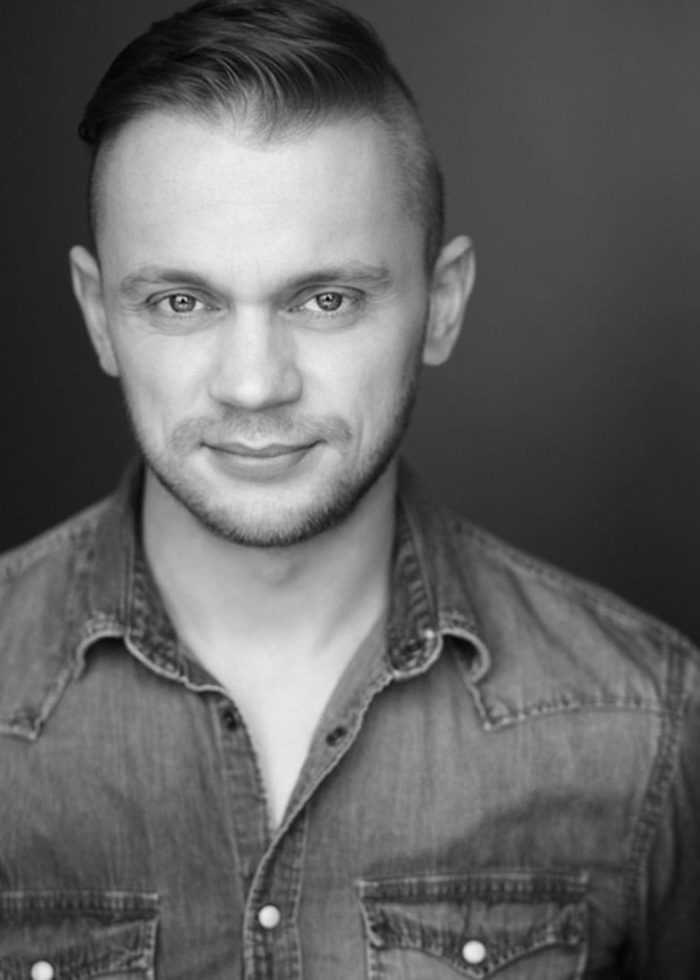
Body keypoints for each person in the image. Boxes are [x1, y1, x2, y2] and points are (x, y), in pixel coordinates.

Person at [0, 0, 698, 976]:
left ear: (440, 306)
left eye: (325, 299)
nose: (253, 382)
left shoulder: (645, 722)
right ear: (99, 316)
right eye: (180, 301)